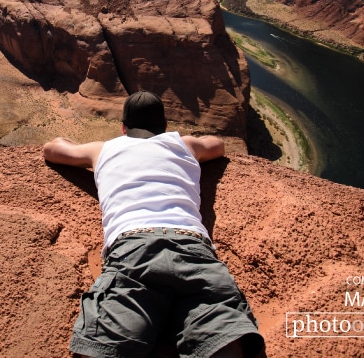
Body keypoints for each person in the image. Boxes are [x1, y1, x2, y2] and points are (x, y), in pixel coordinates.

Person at [43, 90, 265, 358]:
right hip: (193, 248)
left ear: (123, 127)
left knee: (104, 346)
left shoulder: (102, 148)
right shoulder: (185, 145)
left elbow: (52, 149)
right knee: (222, 339)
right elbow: (217, 145)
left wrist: (66, 139)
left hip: (133, 251)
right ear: (165, 126)